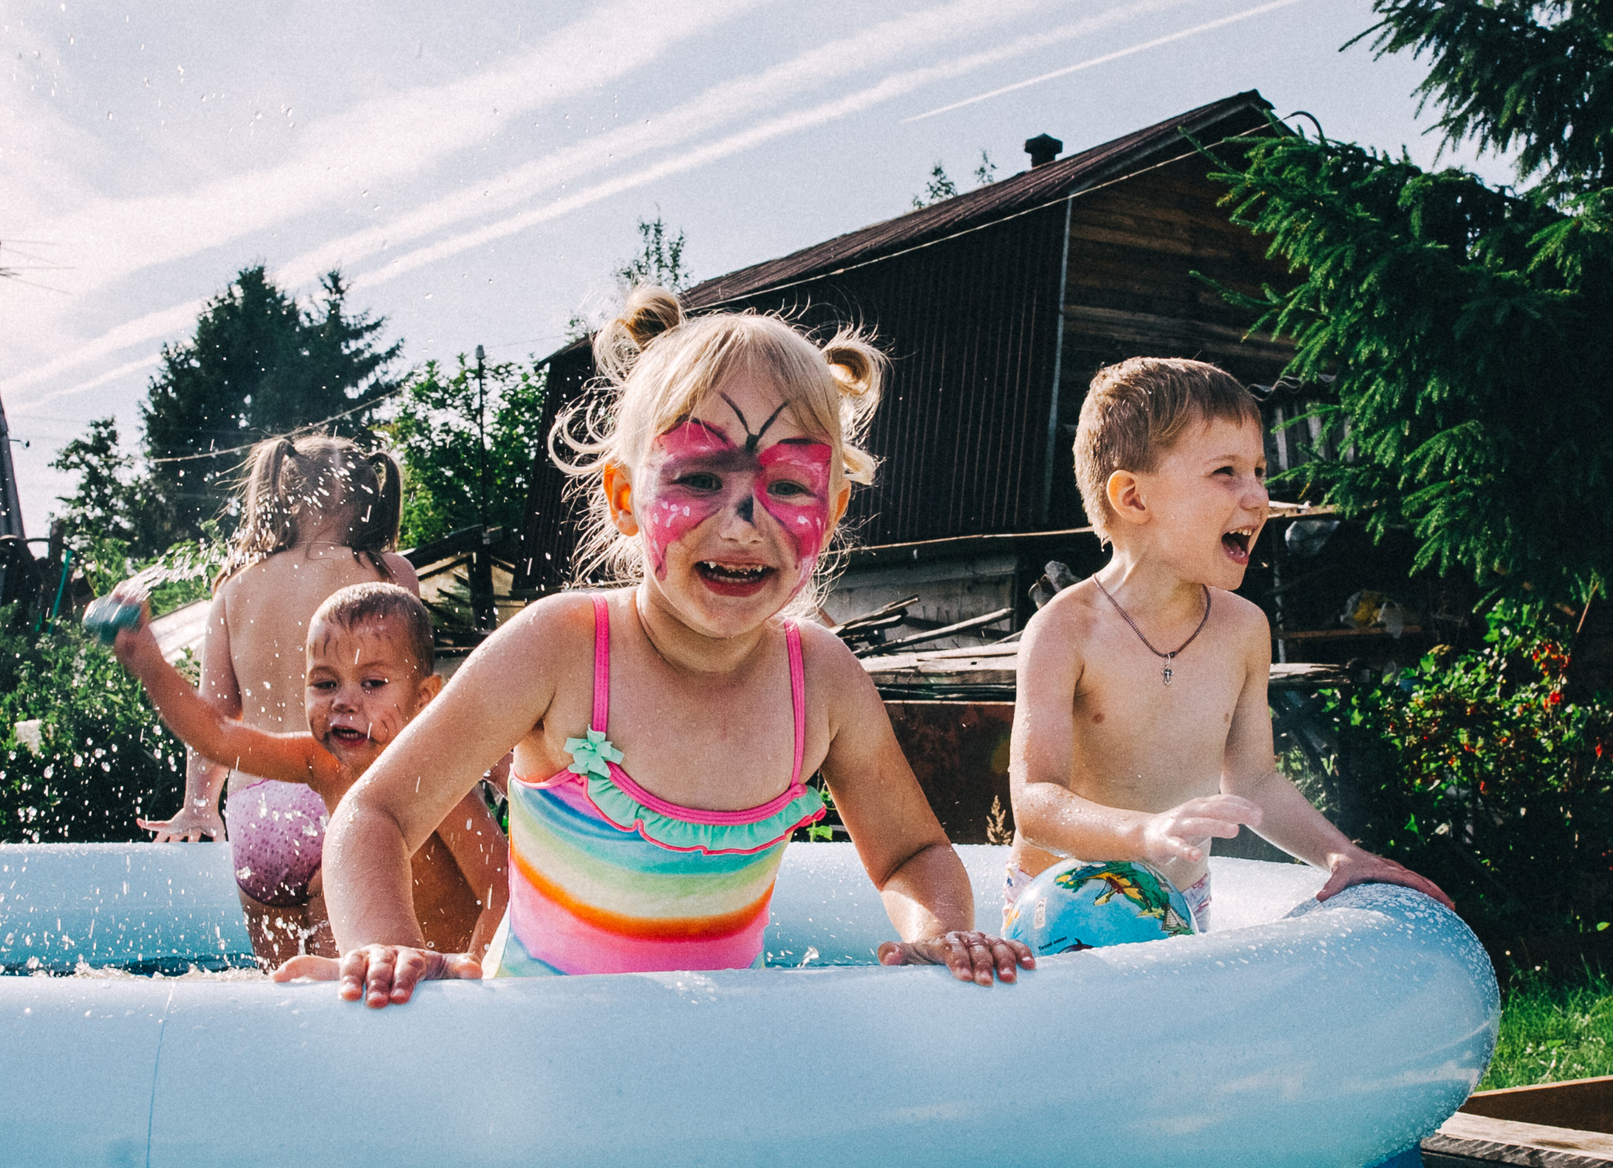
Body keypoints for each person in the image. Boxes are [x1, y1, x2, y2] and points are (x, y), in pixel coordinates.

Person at [289, 288, 1035, 1006]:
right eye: (700, 477)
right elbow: (374, 815)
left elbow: (913, 854)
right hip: (540, 1050)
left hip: (715, 1053)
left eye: (788, 485)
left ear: (834, 506)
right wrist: (384, 947)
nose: (743, 521)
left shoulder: (820, 680)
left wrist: (940, 932)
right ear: (624, 497)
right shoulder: (564, 651)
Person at [1006, 357, 1451, 930]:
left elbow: (1254, 782)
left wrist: (1342, 855)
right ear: (1134, 498)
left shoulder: (1242, 629)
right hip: (1063, 905)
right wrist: (1144, 831)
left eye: (1259, 472)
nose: (1258, 497)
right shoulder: (1065, 631)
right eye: (1227, 473)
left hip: (1182, 901)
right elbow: (1036, 802)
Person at [133, 436, 426, 964]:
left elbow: (217, 714)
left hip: (255, 812)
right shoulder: (388, 574)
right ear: (368, 498)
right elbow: (406, 693)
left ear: (281, 497)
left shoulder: (234, 585)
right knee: (352, 981)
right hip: (343, 798)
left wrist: (198, 806)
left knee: (281, 989)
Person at [109, 577, 506, 964]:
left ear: (423, 698)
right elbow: (218, 737)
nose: (344, 701)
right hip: (389, 981)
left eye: (372, 682)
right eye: (325, 684)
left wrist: (472, 975)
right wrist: (150, 664)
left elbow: (501, 891)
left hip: (444, 981)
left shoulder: (434, 777)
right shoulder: (321, 763)